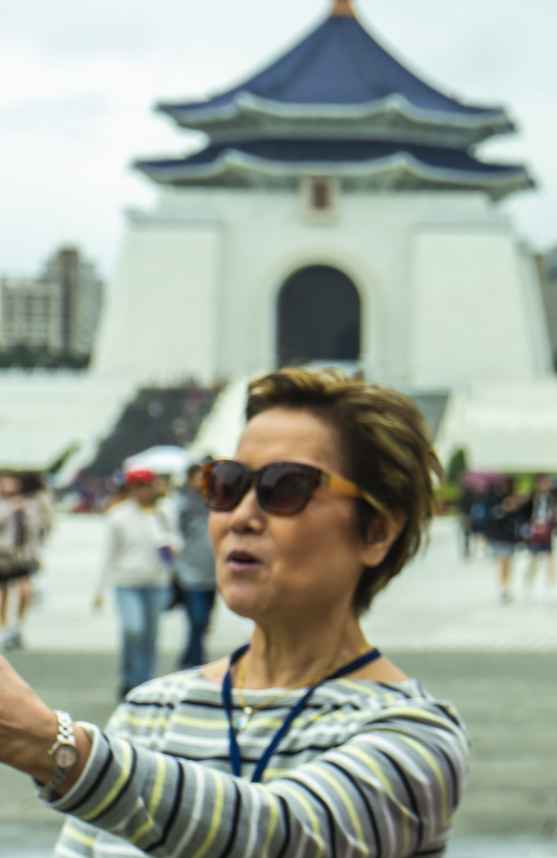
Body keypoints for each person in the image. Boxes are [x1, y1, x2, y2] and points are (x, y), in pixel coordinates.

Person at [0, 366, 466, 856]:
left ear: (376, 532)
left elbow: (289, 836)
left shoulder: (415, 736)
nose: (241, 516)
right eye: (227, 483)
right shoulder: (151, 712)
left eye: (286, 487)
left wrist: (52, 747)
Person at [94, 469, 179, 698]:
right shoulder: (119, 515)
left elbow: (176, 540)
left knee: (151, 634)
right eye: (137, 486)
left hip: (156, 581)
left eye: (146, 486)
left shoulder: (164, 511)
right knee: (133, 629)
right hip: (127, 581)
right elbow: (109, 554)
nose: (142, 491)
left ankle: (145, 682)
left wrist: (172, 548)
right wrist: (99, 589)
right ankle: (129, 677)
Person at [173, 460, 217, 669]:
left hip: (213, 572)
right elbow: (174, 534)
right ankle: (195, 663)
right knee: (197, 620)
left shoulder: (216, 501)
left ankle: (190, 657)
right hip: (190, 572)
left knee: (205, 622)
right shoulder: (183, 504)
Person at [0, 472, 46, 651]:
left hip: (24, 555)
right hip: (3, 554)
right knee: (2, 593)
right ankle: (3, 628)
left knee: (25, 590)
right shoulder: (4, 506)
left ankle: (17, 626)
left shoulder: (30, 504)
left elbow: (39, 527)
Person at [484, 476, 527, 603]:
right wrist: (505, 508)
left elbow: (520, 518)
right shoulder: (495, 499)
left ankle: (506, 588)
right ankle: (504, 589)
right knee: (504, 563)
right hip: (500, 537)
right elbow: (492, 517)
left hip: (510, 537)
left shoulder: (516, 499)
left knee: (508, 564)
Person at [520, 474, 557, 595]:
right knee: (534, 556)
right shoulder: (532, 497)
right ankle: (529, 580)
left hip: (548, 530)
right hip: (535, 529)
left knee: (550, 555)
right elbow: (526, 513)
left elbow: (555, 515)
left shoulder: (552, 498)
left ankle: (552, 582)